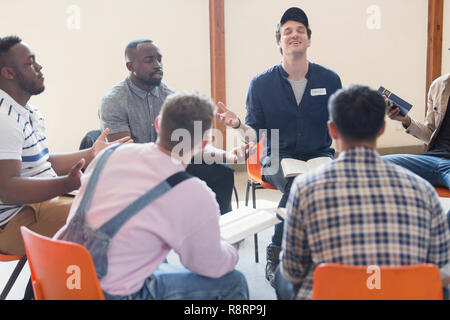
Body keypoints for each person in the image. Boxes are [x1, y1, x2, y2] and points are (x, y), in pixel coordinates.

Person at [55, 91, 249, 300]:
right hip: (107, 294)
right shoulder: (193, 192)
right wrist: (231, 247)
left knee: (158, 259)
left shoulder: (110, 154)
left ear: (157, 124)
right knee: (234, 281)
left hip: (63, 279)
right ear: (203, 143)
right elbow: (210, 266)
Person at [275, 85, 450, 300]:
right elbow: (441, 272)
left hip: (330, 293)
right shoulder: (424, 192)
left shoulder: (304, 188)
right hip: (402, 293)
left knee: (280, 275)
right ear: (381, 130)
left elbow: (293, 271)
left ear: (332, 130)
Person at [216, 7, 342, 286]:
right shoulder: (261, 84)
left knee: (319, 184)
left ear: (309, 39)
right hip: (275, 157)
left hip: (320, 154)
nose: (294, 35)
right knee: (301, 185)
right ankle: (279, 252)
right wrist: (237, 125)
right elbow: (254, 137)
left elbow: (340, 126)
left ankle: (309, 253)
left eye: (300, 30)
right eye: (287, 31)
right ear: (279, 42)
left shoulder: (330, 80)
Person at [0, 36, 129, 256]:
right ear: (8, 73)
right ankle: (68, 287)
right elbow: (7, 189)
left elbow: (43, 162)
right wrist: (65, 184)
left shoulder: (29, 113)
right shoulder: (5, 119)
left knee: (123, 201)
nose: (39, 67)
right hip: (14, 221)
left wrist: (91, 153)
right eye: (30, 63)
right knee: (113, 218)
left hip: (41, 205)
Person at [98, 39, 236, 215]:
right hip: (133, 168)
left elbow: (189, 143)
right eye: (149, 60)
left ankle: (222, 230)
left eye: (159, 59)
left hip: (169, 161)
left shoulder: (171, 97)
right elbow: (125, 154)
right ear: (130, 66)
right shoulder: (113, 101)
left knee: (221, 171)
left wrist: (229, 156)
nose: (158, 65)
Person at [383, 73, 450, 189]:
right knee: (371, 165)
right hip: (430, 159)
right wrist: (406, 120)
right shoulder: (439, 85)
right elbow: (430, 133)